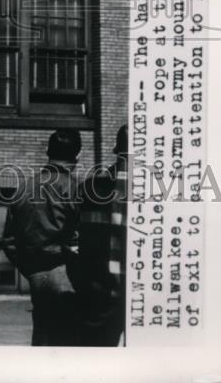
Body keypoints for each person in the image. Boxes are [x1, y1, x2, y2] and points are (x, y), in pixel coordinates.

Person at [3, 129, 83, 346]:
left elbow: (9, 240)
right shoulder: (78, 189)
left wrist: (31, 270)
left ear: (48, 152)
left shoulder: (24, 187)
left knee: (42, 337)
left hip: (36, 275)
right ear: (78, 155)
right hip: (69, 275)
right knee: (68, 345)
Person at [71, 124, 129, 346]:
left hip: (99, 291)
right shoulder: (160, 190)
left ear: (115, 148)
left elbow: (72, 239)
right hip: (143, 295)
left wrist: (83, 282)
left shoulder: (90, 187)